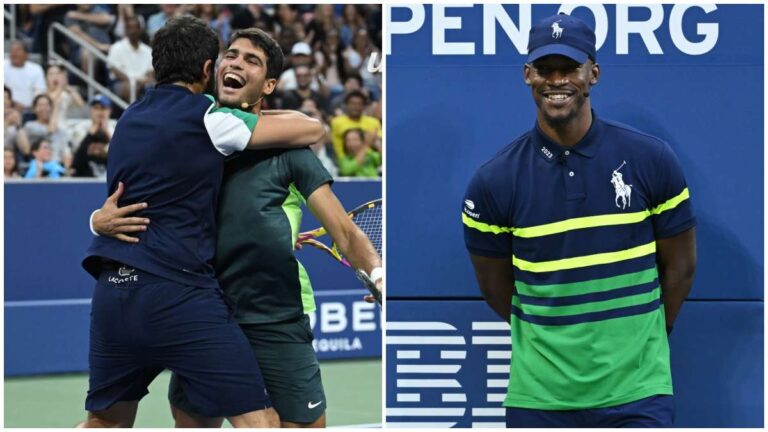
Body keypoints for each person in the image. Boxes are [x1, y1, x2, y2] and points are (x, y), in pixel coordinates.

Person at [93, 27, 382, 429]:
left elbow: (345, 231)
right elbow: (134, 195)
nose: (236, 63)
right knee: (198, 423)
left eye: (251, 60)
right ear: (212, 67)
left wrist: (379, 277)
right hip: (203, 309)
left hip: (274, 316)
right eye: (231, 54)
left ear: (268, 84)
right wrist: (96, 218)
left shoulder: (287, 154)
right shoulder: (195, 128)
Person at [462, 14, 696, 428]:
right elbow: (499, 291)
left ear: (593, 74)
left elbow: (680, 267)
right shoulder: (492, 181)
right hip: (539, 398)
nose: (557, 80)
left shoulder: (651, 159)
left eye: (569, 68)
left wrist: (644, 339)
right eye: (545, 70)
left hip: (638, 394)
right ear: (527, 76)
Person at [106, 16, 154, 101]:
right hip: (122, 82)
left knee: (155, 87)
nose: (133, 31)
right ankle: (134, 114)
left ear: (140, 30)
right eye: (129, 28)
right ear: (125, 30)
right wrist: (134, 82)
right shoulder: (116, 47)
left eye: (135, 27)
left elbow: (151, 73)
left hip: (143, 83)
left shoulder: (148, 50)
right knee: (130, 87)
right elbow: (115, 71)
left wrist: (144, 82)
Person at [330, 90, 380, 158]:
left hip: (372, 160)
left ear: (364, 106)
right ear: (346, 105)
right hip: (346, 161)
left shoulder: (374, 122)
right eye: (352, 103)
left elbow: (380, 141)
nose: (356, 107)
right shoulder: (336, 122)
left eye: (359, 104)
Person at [3, 41, 46, 110]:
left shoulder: (36, 69)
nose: (14, 53)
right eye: (12, 50)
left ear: (26, 55)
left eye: (18, 50)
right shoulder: (2, 66)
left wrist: (31, 107)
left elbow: (39, 91)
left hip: (30, 109)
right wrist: (13, 103)